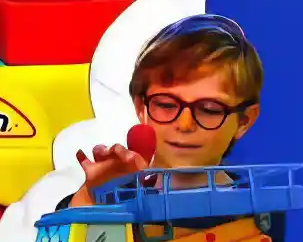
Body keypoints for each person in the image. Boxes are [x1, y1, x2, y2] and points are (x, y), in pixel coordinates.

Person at [70, 14, 263, 208]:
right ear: (141, 108)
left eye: (208, 109)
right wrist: (91, 195)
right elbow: (65, 225)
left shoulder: (260, 208)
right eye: (166, 105)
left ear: (244, 120)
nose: (185, 124)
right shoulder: (103, 197)